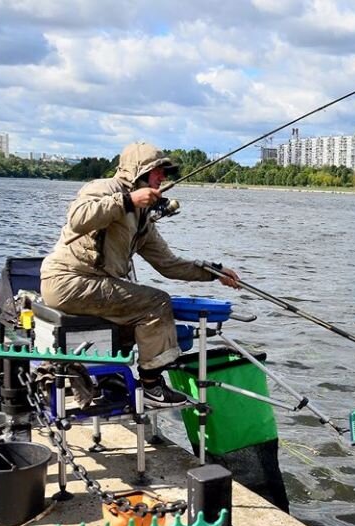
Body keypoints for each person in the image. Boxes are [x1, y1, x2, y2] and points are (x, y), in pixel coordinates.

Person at [41, 142, 240, 408]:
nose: (163, 178)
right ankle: (151, 386)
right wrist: (127, 200)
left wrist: (213, 271)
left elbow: (168, 264)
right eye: (159, 171)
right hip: (68, 280)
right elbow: (77, 218)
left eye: (165, 172)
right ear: (139, 171)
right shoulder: (103, 188)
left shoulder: (142, 218)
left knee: (134, 318)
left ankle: (108, 378)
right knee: (156, 302)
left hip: (93, 285)